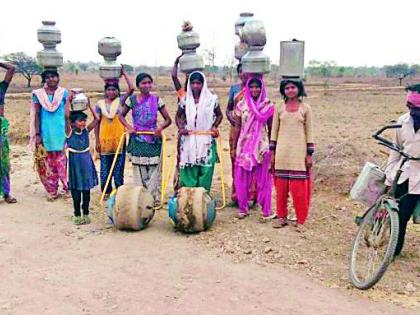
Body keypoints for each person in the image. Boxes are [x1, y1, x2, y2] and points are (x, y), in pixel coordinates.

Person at [119, 73, 171, 205]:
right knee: (139, 170)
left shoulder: (157, 100)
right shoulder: (131, 100)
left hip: (153, 140)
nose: (147, 85)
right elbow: (121, 116)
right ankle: (140, 199)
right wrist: (129, 127)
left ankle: (153, 200)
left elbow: (168, 120)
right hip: (137, 139)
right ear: (138, 86)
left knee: (154, 171)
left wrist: (159, 128)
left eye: (149, 82)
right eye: (143, 83)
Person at [270, 79, 314, 231]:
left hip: (298, 154)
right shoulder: (279, 107)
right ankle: (281, 216)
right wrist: (273, 153)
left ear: (299, 89)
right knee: (280, 188)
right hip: (282, 153)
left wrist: (309, 154)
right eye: (287, 88)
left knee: (299, 190)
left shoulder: (306, 108)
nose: (290, 90)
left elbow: (310, 132)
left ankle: (301, 220)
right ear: (283, 91)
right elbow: (274, 130)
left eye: (293, 87)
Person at [385, 84, 420, 256]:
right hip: (404, 173)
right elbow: (395, 149)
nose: (413, 112)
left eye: (417, 108)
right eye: (410, 107)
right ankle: (393, 250)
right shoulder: (402, 121)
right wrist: (390, 173)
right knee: (400, 215)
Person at [233, 76, 274, 220]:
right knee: (242, 179)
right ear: (248, 88)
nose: (254, 89)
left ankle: (266, 210)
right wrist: (233, 147)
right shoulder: (241, 105)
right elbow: (237, 127)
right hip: (244, 146)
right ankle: (243, 208)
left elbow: (271, 128)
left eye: (257, 87)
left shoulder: (268, 106)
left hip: (261, 146)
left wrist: (273, 148)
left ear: (262, 88)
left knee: (263, 180)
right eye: (252, 87)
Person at [176, 71, 223, 191]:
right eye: (193, 83)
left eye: (198, 83)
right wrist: (181, 128)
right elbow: (178, 116)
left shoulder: (212, 99)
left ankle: (202, 196)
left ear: (203, 84)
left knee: (206, 169)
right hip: (189, 138)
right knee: (189, 168)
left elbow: (219, 115)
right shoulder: (185, 100)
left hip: (206, 138)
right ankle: (188, 196)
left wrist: (214, 126)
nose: (196, 86)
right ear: (189, 84)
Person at [95, 67, 134, 198]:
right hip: (104, 139)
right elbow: (97, 123)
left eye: (114, 89)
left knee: (118, 167)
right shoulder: (99, 104)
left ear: (117, 91)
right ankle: (106, 191)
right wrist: (96, 141)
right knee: (105, 167)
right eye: (109, 89)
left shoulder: (120, 101)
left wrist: (124, 74)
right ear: (105, 91)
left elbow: (131, 89)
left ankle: (119, 191)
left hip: (119, 138)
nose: (111, 92)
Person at [30, 69, 68, 200]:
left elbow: (68, 114)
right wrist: (37, 134)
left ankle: (65, 186)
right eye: (48, 77)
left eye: (53, 76)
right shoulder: (38, 94)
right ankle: (52, 190)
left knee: (61, 161)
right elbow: (37, 115)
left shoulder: (63, 93)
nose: (51, 79)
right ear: (44, 80)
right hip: (45, 131)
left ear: (58, 78)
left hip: (60, 130)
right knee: (47, 162)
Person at [65, 93, 99, 225]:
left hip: (86, 162)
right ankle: (77, 214)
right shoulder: (70, 132)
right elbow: (66, 116)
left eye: (84, 120)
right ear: (73, 123)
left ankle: (86, 213)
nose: (84, 123)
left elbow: (96, 120)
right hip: (75, 163)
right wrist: (68, 101)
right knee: (76, 191)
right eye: (80, 121)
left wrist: (89, 105)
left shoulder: (85, 131)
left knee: (86, 190)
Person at [226, 63, 247, 204]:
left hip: (251, 132)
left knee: (250, 163)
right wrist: (232, 119)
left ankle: (252, 196)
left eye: (246, 71)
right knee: (236, 161)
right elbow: (228, 109)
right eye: (240, 71)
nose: (243, 74)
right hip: (235, 130)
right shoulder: (234, 89)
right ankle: (236, 195)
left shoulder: (255, 88)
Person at [0, 61, 16, 203]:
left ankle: (6, 193)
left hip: (0, 129)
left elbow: (11, 68)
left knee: (3, 162)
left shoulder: (1, 88)